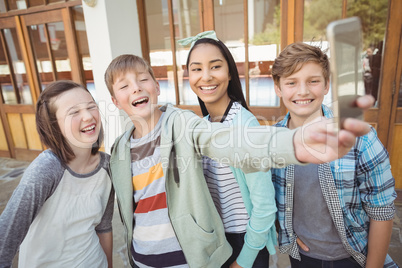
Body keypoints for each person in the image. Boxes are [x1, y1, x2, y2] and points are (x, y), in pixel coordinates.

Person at [104, 53, 372, 268]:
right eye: (125, 86)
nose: (136, 88)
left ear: (157, 86)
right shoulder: (119, 150)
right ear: (116, 101)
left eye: (142, 80)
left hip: (189, 257)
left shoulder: (184, 124)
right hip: (142, 258)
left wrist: (296, 143)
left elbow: (235, 143)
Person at [271, 42, 397, 268]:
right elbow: (267, 196)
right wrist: (286, 230)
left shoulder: (359, 137)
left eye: (313, 81)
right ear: (278, 88)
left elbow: (381, 209)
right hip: (302, 256)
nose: (303, 91)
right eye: (291, 82)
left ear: (327, 84)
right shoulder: (273, 141)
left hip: (353, 257)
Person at [180, 30, 276, 268]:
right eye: (197, 69)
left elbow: (264, 206)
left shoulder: (244, 124)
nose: (206, 77)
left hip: (244, 243)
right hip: (216, 242)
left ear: (230, 73)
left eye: (215, 67)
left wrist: (245, 259)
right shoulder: (201, 126)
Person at [0, 80, 114, 268]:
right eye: (74, 112)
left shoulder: (107, 166)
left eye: (91, 107)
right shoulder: (48, 168)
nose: (88, 116)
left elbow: (104, 226)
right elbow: (6, 237)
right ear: (54, 126)